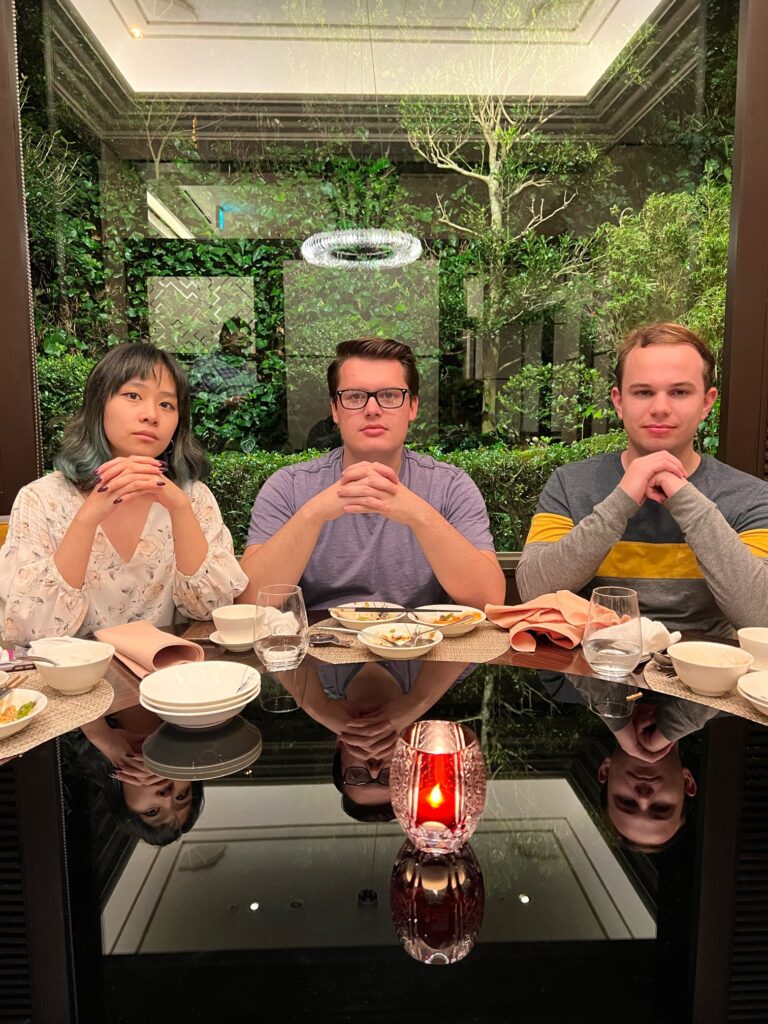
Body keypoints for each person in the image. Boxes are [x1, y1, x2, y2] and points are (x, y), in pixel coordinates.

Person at [516, 322, 768, 635]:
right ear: (619, 402)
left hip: (705, 672)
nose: (660, 408)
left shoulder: (752, 497)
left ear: (706, 402)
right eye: (643, 392)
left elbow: (761, 615)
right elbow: (533, 591)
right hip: (593, 666)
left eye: (679, 392)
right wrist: (621, 501)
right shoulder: (570, 484)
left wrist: (683, 497)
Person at [0, 343, 248, 644]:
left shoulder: (193, 498)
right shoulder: (41, 500)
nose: (151, 415)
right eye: (133, 396)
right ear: (98, 405)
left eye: (167, 405)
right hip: (76, 685)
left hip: (175, 680)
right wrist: (87, 518)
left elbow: (214, 611)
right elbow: (30, 629)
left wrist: (180, 510)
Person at [240, 337, 505, 609]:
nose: (372, 410)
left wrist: (418, 514)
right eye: (355, 396)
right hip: (318, 645)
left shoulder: (451, 486)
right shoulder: (289, 486)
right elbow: (250, 601)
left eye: (389, 395)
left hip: (420, 643)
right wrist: (314, 513)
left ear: (412, 406)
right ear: (335, 409)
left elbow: (489, 599)